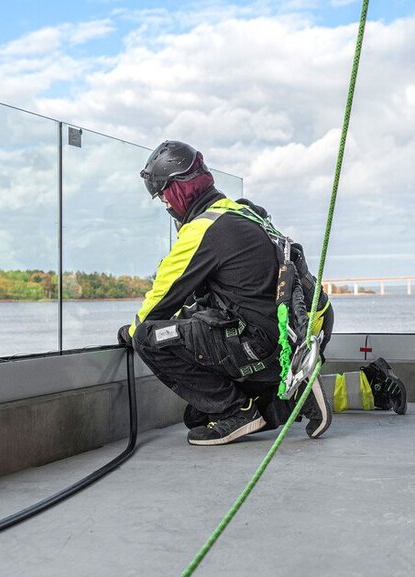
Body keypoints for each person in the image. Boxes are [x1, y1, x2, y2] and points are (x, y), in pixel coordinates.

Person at [118, 140, 334, 446]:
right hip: (294, 336)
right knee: (197, 416)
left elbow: (158, 306)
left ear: (179, 188)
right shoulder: (244, 214)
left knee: (147, 339)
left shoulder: (203, 229)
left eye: (164, 195)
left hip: (259, 345)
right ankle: (292, 391)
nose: (165, 204)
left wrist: (131, 331)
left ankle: (238, 412)